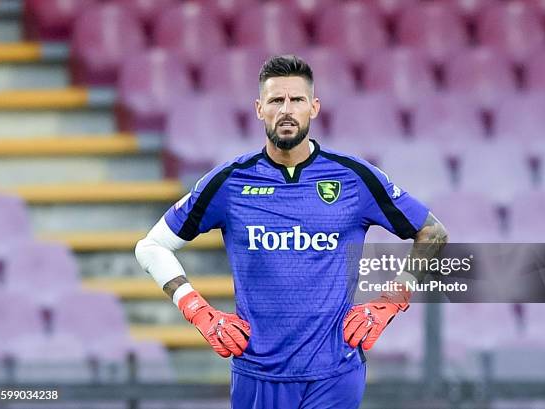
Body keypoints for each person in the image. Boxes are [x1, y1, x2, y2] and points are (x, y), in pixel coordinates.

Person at [135, 55, 448, 409]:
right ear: (259, 109)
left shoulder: (354, 178)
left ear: (313, 107)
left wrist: (392, 300)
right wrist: (198, 310)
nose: (286, 109)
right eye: (275, 100)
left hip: (336, 373)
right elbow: (152, 247)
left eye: (296, 100)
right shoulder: (229, 182)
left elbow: (433, 233)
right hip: (258, 374)